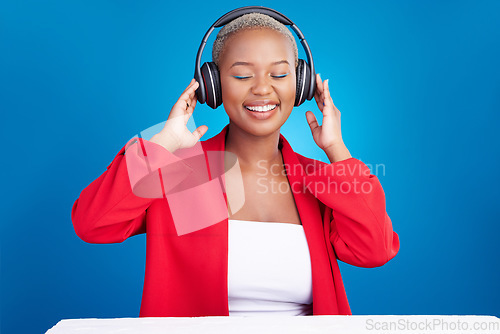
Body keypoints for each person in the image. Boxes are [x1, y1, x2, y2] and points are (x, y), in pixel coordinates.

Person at [72, 9, 400, 317]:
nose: (262, 88)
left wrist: (337, 150)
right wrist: (165, 143)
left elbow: (375, 250)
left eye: (280, 73)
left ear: (299, 83)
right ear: (211, 85)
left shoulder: (321, 182)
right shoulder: (182, 173)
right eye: (242, 75)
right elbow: (93, 224)